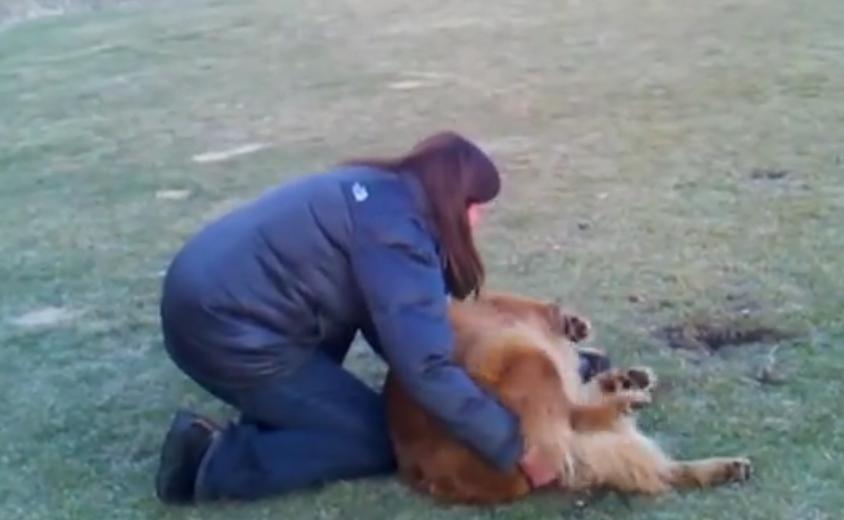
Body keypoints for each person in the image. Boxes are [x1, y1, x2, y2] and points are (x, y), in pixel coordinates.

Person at [154, 131, 561, 504]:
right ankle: (209, 463)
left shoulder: (380, 192)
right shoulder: (397, 235)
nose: (479, 220)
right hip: (224, 334)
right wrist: (515, 447)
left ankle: (284, 413)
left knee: (355, 396)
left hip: (219, 302)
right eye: (477, 206)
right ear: (455, 198)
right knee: (375, 440)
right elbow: (425, 367)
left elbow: (407, 325)